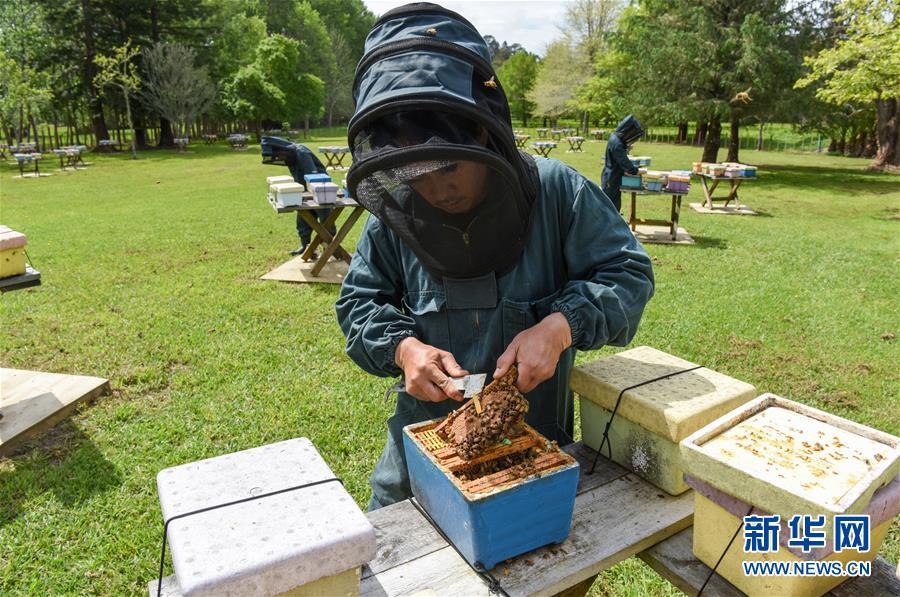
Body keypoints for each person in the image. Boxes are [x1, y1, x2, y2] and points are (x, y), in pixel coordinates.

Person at [335, 2, 655, 511]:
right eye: (416, 172)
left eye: (448, 166)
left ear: (483, 131)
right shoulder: (397, 214)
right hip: (421, 442)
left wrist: (561, 325)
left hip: (536, 441)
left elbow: (628, 274)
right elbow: (359, 303)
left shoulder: (558, 192)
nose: (436, 188)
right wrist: (403, 350)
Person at [262, 136, 337, 256]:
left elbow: (312, 177)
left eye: (278, 155)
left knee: (325, 217)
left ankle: (330, 248)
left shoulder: (302, 153)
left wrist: (308, 194)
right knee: (303, 219)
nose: (278, 158)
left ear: (281, 149)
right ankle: (305, 247)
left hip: (320, 190)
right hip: (304, 190)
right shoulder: (289, 156)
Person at [601, 115, 645, 212]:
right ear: (627, 130)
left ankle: (614, 225)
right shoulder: (617, 144)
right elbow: (626, 164)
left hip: (612, 177)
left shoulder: (615, 139)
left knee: (613, 207)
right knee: (609, 207)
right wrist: (638, 170)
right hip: (611, 178)